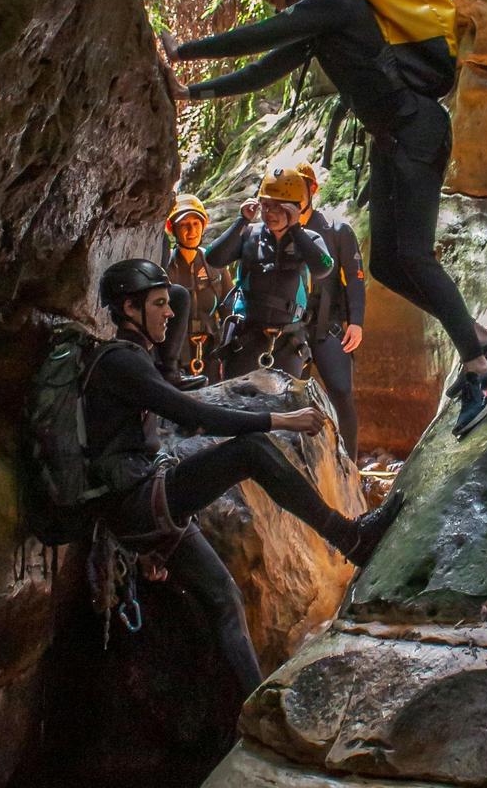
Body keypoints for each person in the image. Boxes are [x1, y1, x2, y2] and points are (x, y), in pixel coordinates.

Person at [160, 0, 487, 439]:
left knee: (414, 255)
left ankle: (482, 370)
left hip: (416, 130)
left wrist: (186, 49)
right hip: (393, 139)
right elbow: (265, 67)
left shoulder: (333, 1)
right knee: (389, 265)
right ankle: (480, 336)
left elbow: (263, 36)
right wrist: (194, 93)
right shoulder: (318, 24)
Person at [87, 258, 404, 698]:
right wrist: (280, 420)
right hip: (140, 502)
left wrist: (144, 542)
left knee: (223, 598)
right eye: (158, 304)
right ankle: (348, 537)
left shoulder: (133, 359)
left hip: (140, 503)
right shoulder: (122, 363)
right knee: (250, 452)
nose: (170, 312)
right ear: (129, 309)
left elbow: (179, 306)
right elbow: (194, 416)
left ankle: (252, 710)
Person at [206, 166, 332, 379]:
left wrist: (295, 229)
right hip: (245, 337)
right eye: (265, 206)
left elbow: (323, 268)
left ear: (294, 209)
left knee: (283, 405)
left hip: (288, 342)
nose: (269, 213)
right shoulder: (248, 234)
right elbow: (214, 258)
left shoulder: (309, 239)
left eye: (278, 207)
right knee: (236, 403)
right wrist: (242, 220)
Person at [294, 161, 365, 460]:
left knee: (341, 393)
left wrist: (357, 323)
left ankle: (349, 465)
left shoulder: (337, 231)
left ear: (312, 189)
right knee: (290, 397)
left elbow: (355, 281)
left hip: (328, 326)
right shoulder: (277, 231)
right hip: (291, 331)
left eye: (299, 187)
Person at [164, 193, 234, 382]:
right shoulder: (165, 267)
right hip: (175, 352)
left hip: (210, 349)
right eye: (184, 225)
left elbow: (229, 308)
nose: (191, 230)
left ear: (204, 225)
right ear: (173, 229)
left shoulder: (215, 264)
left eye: (196, 223)